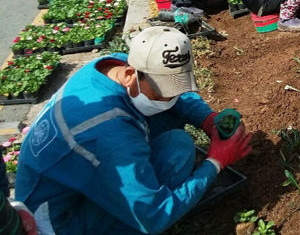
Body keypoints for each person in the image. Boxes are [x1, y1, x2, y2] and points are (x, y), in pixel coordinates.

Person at [15, 26, 253, 234]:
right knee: (176, 154)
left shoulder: (114, 65)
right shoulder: (108, 133)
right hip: (58, 222)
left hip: (67, 178)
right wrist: (216, 163)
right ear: (130, 75)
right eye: (163, 90)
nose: (170, 97)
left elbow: (177, 97)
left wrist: (207, 119)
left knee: (177, 141)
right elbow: (154, 218)